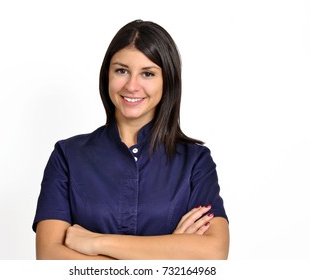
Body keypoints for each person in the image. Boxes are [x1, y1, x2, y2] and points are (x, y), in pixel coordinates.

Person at [32, 19, 229, 260]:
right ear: (107, 75)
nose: (132, 85)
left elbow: (214, 253)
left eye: (148, 73)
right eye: (122, 70)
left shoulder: (196, 162)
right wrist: (171, 251)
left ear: (167, 81)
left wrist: (96, 243)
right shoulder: (67, 155)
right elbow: (49, 256)